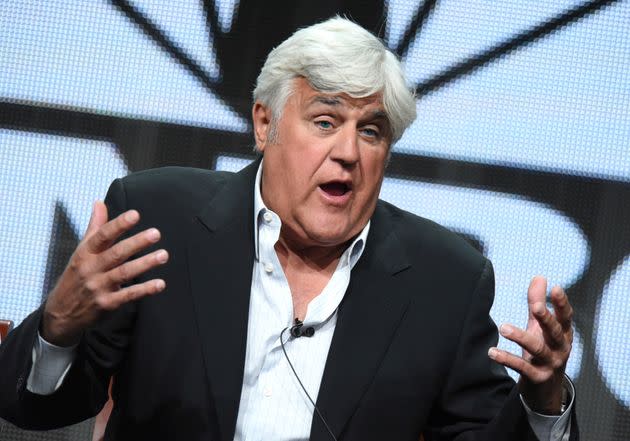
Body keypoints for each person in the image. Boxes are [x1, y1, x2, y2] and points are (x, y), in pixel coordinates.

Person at [0, 17, 576, 441]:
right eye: (325, 121)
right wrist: (57, 328)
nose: (348, 152)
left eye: (371, 132)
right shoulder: (158, 221)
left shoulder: (445, 279)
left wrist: (544, 402)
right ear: (265, 122)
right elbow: (34, 407)